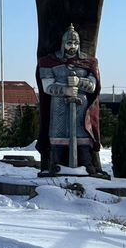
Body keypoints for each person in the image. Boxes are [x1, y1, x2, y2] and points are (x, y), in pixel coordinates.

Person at [37, 24, 106, 177]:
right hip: (59, 106)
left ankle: (87, 165)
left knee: (82, 134)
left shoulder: (89, 62)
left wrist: (79, 82)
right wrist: (66, 90)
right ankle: (55, 164)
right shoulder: (49, 61)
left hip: (81, 105)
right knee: (58, 133)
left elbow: (93, 85)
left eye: (75, 43)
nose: (73, 46)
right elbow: (47, 86)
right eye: (69, 43)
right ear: (63, 43)